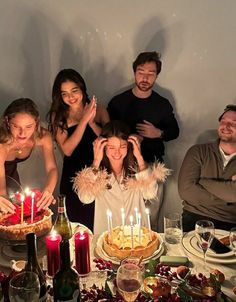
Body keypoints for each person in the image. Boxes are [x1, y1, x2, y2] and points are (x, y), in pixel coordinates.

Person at [107, 51, 179, 230]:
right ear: (134, 72)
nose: (145, 77)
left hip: (154, 170)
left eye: (151, 73)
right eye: (141, 72)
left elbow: (174, 131)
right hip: (122, 169)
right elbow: (107, 133)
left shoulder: (162, 104)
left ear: (156, 75)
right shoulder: (118, 102)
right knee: (121, 222)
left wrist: (158, 133)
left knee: (150, 221)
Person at [73, 120, 170, 235]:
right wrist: (96, 161)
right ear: (103, 148)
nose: (117, 152)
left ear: (129, 147)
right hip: (107, 237)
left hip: (137, 236)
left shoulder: (137, 171)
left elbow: (150, 193)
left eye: (122, 146)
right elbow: (85, 198)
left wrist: (139, 157)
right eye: (111, 147)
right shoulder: (97, 173)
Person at [47, 68, 109, 231]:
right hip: (73, 177)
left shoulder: (100, 110)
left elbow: (109, 141)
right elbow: (67, 149)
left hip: (98, 173)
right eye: (64, 93)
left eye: (74, 91)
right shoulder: (58, 115)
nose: (70, 97)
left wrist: (92, 123)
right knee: (75, 227)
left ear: (82, 89)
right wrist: (83, 121)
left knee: (100, 223)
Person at [178, 104, 236, 232]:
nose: (226, 126)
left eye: (233, 123)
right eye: (223, 121)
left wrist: (203, 182)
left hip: (231, 224)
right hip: (194, 218)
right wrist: (229, 200)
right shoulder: (198, 152)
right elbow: (185, 191)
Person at [0, 98, 58, 214]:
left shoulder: (43, 136)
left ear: (36, 123)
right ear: (7, 121)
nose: (22, 133)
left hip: (12, 178)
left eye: (28, 127)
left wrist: (48, 190)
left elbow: (52, 168)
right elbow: (2, 191)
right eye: (16, 126)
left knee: (21, 214)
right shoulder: (2, 144)